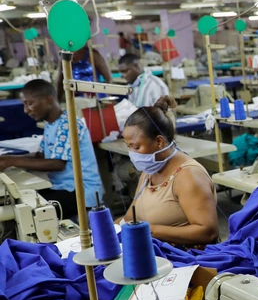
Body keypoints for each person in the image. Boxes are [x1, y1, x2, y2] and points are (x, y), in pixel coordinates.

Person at [0, 79, 103, 217]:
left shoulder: (68, 124)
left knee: (25, 212)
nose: (25, 110)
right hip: (62, 188)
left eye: (30, 104)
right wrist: (7, 159)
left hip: (81, 193)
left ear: (48, 100)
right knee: (17, 200)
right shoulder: (51, 124)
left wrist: (10, 162)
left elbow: (57, 163)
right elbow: (41, 156)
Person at [120, 107, 218, 247]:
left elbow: (208, 232)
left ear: (159, 142)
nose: (132, 153)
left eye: (136, 147)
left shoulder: (188, 176)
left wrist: (150, 231)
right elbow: (129, 219)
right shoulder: (149, 172)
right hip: (156, 254)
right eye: (128, 146)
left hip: (187, 260)